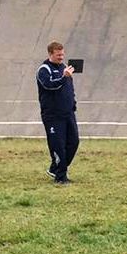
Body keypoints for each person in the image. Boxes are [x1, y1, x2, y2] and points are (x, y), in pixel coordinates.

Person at [36, 40, 78, 184]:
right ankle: (61, 177)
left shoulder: (64, 68)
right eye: (58, 55)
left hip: (68, 113)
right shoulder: (44, 70)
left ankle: (55, 169)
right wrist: (63, 77)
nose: (61, 58)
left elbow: (69, 89)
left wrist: (73, 103)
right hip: (53, 116)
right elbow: (49, 86)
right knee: (58, 145)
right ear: (50, 54)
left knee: (74, 142)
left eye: (62, 55)